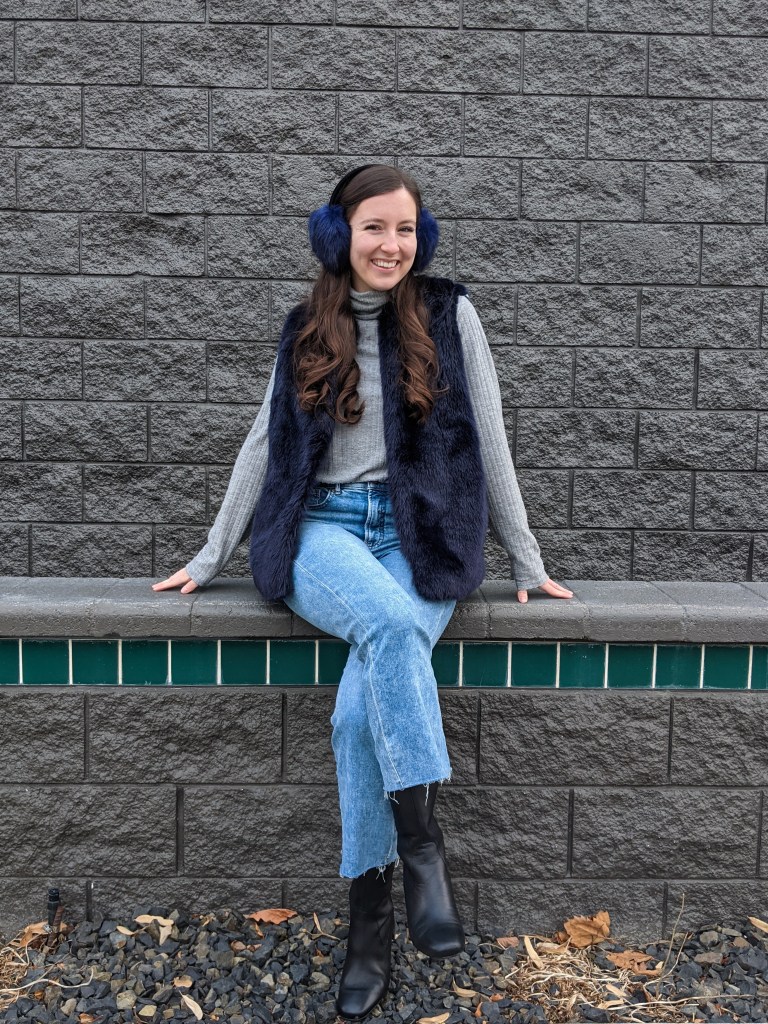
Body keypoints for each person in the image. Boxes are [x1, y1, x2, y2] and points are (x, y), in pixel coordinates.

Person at [152, 164, 574, 1020]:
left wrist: (526, 559)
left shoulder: (452, 314)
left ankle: (368, 926)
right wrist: (210, 552)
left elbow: (492, 440)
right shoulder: (308, 325)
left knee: (356, 716)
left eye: (406, 230)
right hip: (326, 535)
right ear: (337, 232)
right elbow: (262, 444)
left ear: (424, 238)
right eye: (374, 227)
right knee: (387, 628)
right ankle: (425, 852)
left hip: (422, 535)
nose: (392, 245)